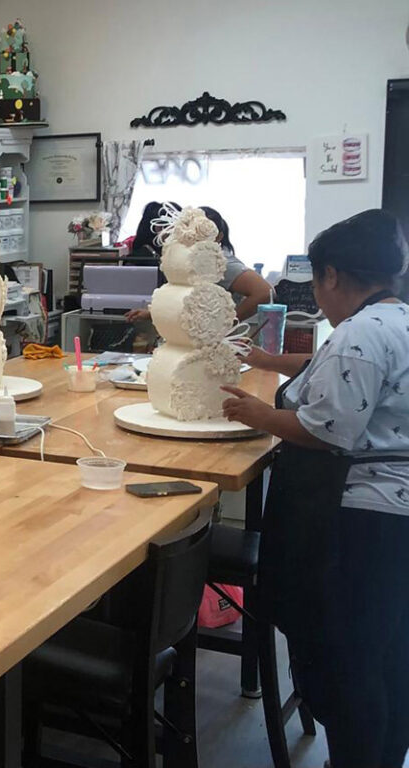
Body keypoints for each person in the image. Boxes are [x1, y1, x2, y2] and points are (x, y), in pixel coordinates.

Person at [221, 209, 409, 768]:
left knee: (347, 656)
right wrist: (263, 359)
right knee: (387, 651)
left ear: (331, 275)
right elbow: (326, 367)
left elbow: (328, 429)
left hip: (363, 514)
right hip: (397, 513)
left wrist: (258, 414)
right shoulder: (395, 320)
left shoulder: (357, 333)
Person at [124, 205, 272, 323]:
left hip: (213, 342)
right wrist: (152, 314)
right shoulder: (190, 259)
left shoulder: (221, 261)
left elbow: (264, 292)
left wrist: (227, 324)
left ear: (218, 237)